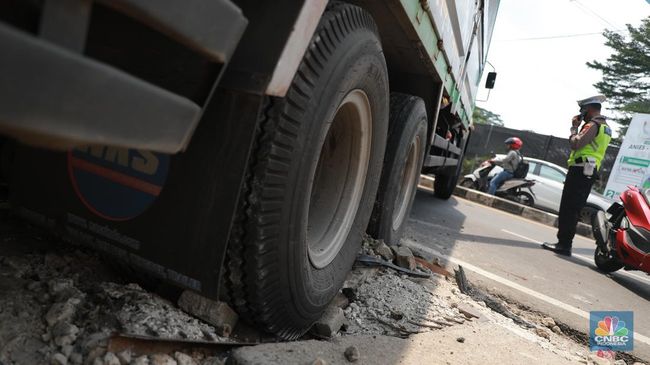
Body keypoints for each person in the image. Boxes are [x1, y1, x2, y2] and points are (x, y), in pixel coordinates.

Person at [542, 95, 612, 256]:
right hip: (588, 171)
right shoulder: (606, 128)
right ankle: (565, 243)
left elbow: (576, 143)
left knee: (568, 208)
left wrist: (574, 128)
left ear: (589, 109)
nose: (582, 114)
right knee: (574, 208)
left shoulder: (593, 125)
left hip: (580, 170)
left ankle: (564, 244)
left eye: (583, 110)